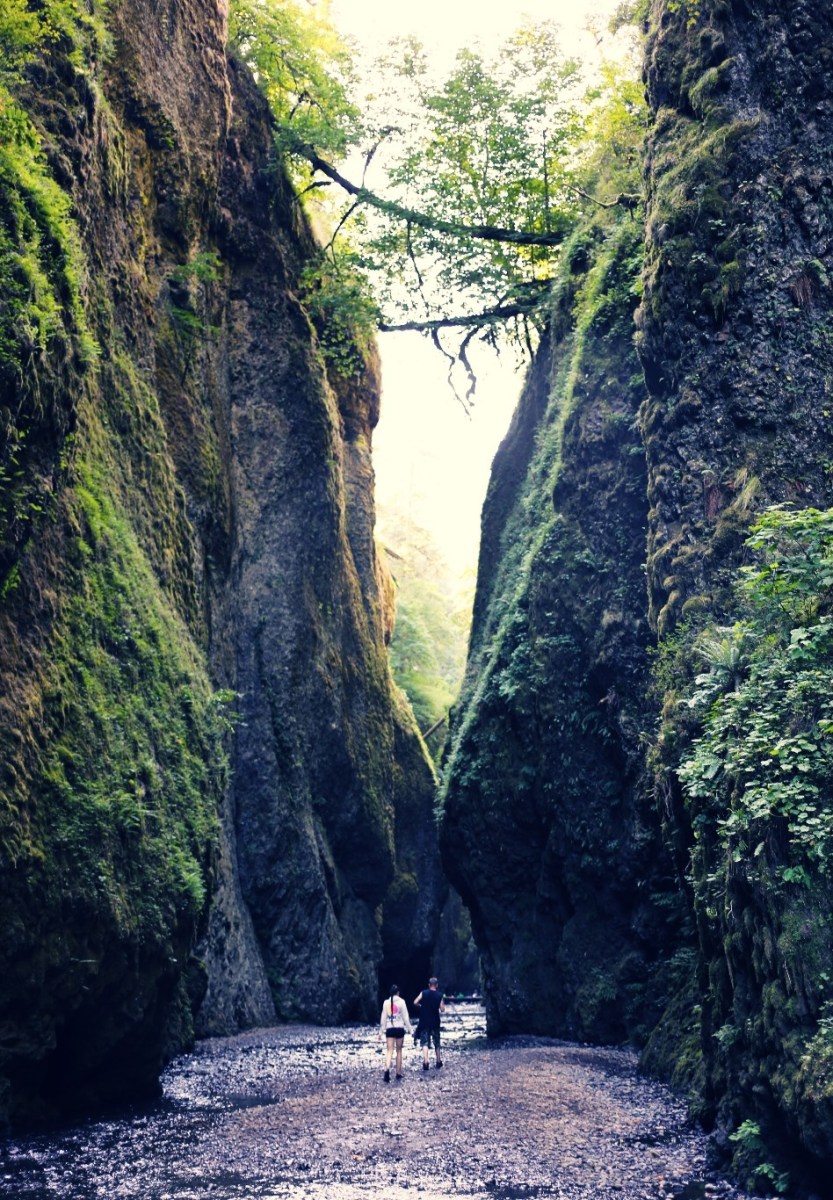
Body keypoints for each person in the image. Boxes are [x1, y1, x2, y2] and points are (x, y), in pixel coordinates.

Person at [379, 984, 413, 1082]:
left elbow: (383, 1018)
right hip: (399, 1029)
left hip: (389, 1029)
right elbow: (406, 1018)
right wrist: (411, 1031)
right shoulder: (402, 1002)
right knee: (399, 1051)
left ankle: (386, 1069)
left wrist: (380, 1032)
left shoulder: (386, 1003)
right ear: (398, 993)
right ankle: (398, 1073)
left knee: (389, 1051)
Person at [413, 976, 445, 1071]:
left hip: (424, 1021)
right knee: (437, 1042)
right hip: (435, 1022)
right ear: (437, 985)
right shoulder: (440, 995)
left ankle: (426, 1061)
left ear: (429, 985)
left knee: (425, 1042)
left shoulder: (423, 993)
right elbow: (442, 1009)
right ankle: (438, 1061)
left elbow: (415, 1002)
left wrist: (421, 1006)